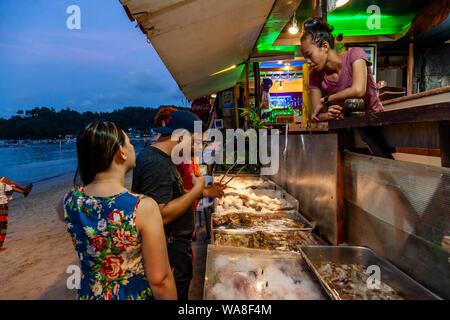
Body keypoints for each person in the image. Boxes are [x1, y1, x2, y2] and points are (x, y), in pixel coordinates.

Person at [56, 121, 177, 300]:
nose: (132, 148)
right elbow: (160, 279)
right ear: (121, 152)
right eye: (129, 143)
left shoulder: (68, 202)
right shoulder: (142, 207)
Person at [132, 110, 205, 300]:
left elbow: (168, 199)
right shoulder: (156, 163)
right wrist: (197, 191)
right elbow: (160, 215)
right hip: (169, 247)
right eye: (196, 141)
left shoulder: (163, 159)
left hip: (174, 244)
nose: (198, 147)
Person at [300, 17, 392, 158]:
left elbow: (358, 90)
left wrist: (326, 100)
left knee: (383, 166)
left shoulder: (355, 55)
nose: (308, 61)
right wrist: (329, 114)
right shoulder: (315, 76)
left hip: (373, 124)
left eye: (309, 55)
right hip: (346, 132)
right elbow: (316, 116)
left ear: (324, 46)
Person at [0, 178, 33, 251]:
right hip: (2, 204)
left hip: (3, 203)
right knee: (2, 225)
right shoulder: (3, 182)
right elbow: (10, 189)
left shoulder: (2, 181)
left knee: (2, 225)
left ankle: (0, 245)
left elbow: (10, 189)